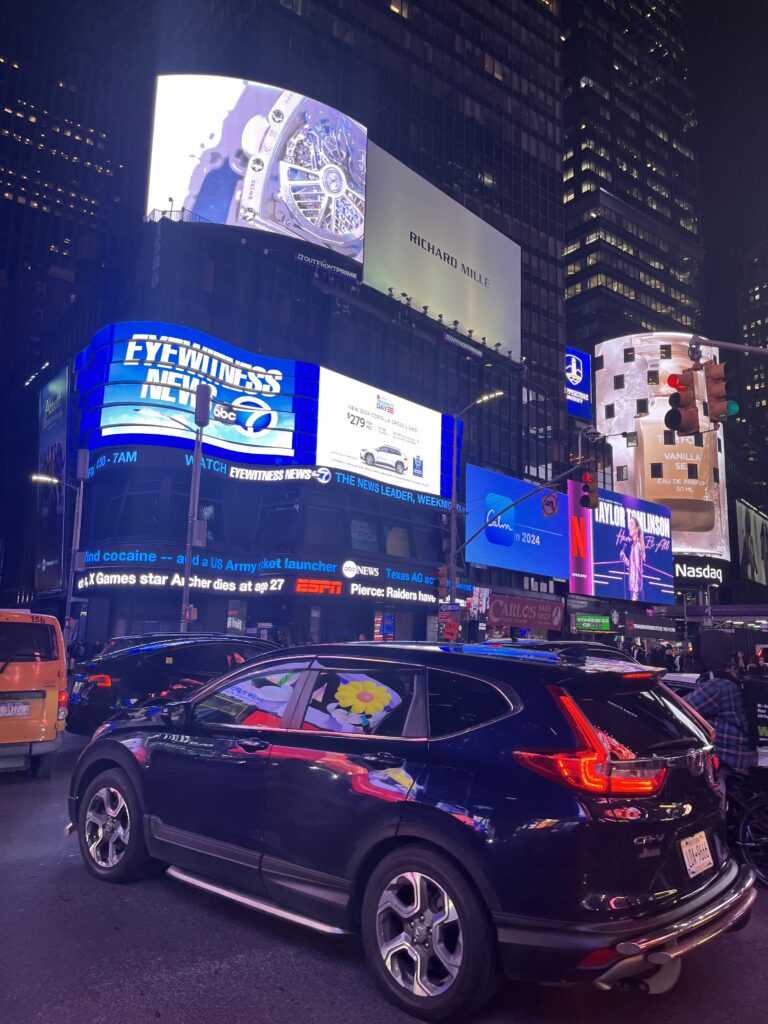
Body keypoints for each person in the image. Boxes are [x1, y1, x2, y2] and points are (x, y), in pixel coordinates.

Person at [686, 659, 756, 777]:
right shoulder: (735, 680)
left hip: (727, 760)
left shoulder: (717, 686)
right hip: (744, 756)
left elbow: (680, 709)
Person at [619, 516, 645, 601]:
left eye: (631, 524)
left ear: (636, 529)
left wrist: (635, 592)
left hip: (635, 591)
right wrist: (624, 557)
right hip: (633, 588)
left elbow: (637, 569)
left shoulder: (637, 546)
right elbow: (631, 565)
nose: (629, 526)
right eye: (629, 524)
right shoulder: (634, 546)